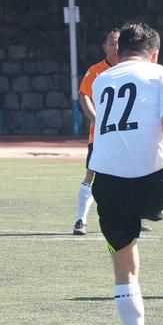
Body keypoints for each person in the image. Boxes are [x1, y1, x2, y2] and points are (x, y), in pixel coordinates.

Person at [87, 20, 163, 325]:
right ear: (155, 53)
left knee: (125, 270)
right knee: (147, 203)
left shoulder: (102, 80)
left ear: (118, 52)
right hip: (153, 187)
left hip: (108, 184)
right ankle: (151, 214)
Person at [72, 27, 121, 235]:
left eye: (120, 43)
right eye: (112, 43)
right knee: (92, 174)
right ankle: (80, 220)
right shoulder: (96, 71)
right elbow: (84, 95)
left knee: (129, 174)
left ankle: (131, 216)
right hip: (100, 136)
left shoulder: (131, 71)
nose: (116, 47)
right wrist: (95, 119)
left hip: (126, 135)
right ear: (104, 47)